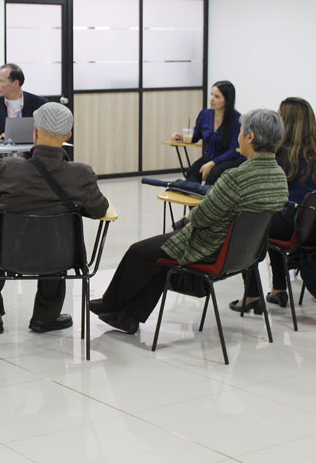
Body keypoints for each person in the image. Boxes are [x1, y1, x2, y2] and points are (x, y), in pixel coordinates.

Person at [92, 109, 289, 334]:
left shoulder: (237, 177)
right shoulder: (278, 176)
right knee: (158, 257)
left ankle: (110, 303)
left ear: (250, 138)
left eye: (242, 131)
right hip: (244, 253)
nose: (239, 135)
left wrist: (190, 221)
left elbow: (203, 215)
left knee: (140, 252)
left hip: (210, 247)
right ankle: (126, 316)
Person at [0, 102, 109, 334]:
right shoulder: (80, 174)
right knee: (55, 239)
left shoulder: (7, 168)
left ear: (34, 131)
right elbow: (99, 210)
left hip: (6, 253)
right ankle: (45, 317)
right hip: (59, 257)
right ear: (68, 135)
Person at [236, 97, 316, 312]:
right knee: (275, 216)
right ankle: (277, 290)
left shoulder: (282, 153)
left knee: (250, 222)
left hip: (294, 224)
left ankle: (253, 294)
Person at [171, 80, 244, 185]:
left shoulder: (236, 120)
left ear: (227, 100)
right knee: (192, 172)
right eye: (211, 94)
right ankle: (194, 199)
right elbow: (196, 136)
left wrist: (213, 163)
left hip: (226, 160)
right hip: (208, 157)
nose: (212, 99)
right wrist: (181, 137)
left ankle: (208, 200)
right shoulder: (205, 114)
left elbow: (234, 151)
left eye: (217, 97)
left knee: (213, 176)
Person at [0, 63, 47, 172]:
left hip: (30, 159)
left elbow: (45, 133)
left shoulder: (38, 103)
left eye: (1, 81)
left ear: (15, 83)